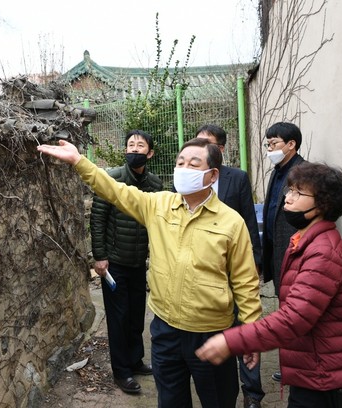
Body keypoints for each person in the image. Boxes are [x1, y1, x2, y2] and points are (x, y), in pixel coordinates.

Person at [37, 137, 262, 407]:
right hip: (166, 330)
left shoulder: (230, 222)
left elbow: (245, 284)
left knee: (218, 400)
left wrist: (249, 335)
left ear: (212, 174)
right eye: (180, 162)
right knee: (170, 400)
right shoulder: (159, 205)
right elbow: (116, 191)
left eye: (193, 163)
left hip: (212, 333)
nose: (183, 168)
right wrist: (79, 161)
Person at [196, 162, 342, 408]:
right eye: (289, 190)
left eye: (298, 193)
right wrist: (255, 341)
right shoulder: (304, 240)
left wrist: (233, 341)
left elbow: (294, 318)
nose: (287, 198)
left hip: (331, 378)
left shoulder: (322, 251)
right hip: (316, 370)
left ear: (322, 204)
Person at [195, 124, 264, 408]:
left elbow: (249, 220)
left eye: (206, 143)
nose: (198, 148)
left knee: (245, 326)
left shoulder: (237, 178)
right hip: (204, 270)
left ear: (220, 150)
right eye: (196, 141)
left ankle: (252, 393)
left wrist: (256, 262)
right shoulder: (190, 179)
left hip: (235, 266)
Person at [90, 130, 163, 394]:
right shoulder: (112, 179)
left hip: (137, 262)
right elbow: (97, 219)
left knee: (135, 315)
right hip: (114, 263)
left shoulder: (155, 184)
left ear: (150, 153)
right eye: (130, 145)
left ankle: (135, 360)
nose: (134, 149)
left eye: (140, 145)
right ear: (124, 151)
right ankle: (121, 372)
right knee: (118, 318)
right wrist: (99, 256)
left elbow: (158, 222)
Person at [261, 122, 305, 382]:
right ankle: (289, 364)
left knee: (295, 311)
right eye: (268, 144)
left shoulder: (303, 173)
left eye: (274, 143)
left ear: (291, 144)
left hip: (294, 254)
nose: (270, 149)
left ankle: (295, 367)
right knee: (285, 309)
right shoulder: (277, 172)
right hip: (278, 254)